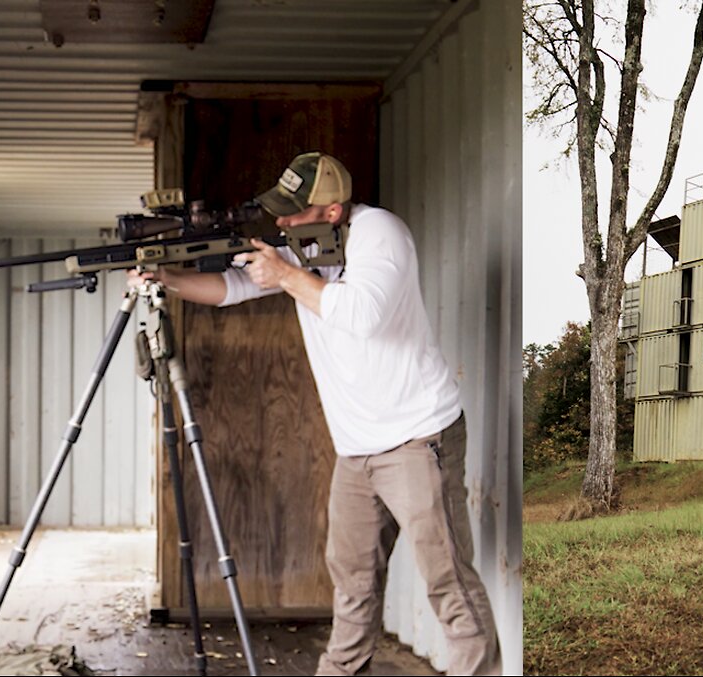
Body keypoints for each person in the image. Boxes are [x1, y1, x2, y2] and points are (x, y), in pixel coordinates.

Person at [128, 152, 501, 676]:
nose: (280, 222)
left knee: (448, 582)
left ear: (331, 213)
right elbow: (230, 289)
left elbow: (362, 314)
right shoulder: (299, 250)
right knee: (352, 581)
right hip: (356, 450)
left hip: (418, 439)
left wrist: (284, 272)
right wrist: (164, 276)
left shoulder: (380, 234)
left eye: (293, 212)